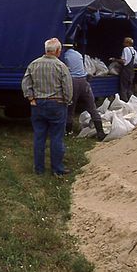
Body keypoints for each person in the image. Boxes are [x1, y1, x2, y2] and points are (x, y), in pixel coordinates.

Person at [21, 38, 73, 177]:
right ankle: (57, 169)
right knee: (56, 137)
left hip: (38, 104)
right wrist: (66, 101)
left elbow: (26, 83)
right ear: (57, 51)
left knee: (39, 137)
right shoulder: (61, 66)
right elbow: (67, 87)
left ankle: (39, 169)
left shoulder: (33, 64)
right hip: (56, 104)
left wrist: (31, 98)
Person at [62, 45, 106, 141]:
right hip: (84, 81)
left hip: (73, 82)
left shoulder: (65, 56)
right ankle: (100, 132)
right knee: (92, 108)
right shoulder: (78, 54)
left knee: (70, 108)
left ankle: (68, 132)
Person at [111, 37, 137, 102]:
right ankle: (131, 101)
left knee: (123, 88)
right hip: (131, 71)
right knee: (129, 88)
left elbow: (124, 61)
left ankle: (124, 102)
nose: (123, 43)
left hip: (125, 71)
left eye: (124, 42)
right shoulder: (134, 51)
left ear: (127, 43)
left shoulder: (126, 49)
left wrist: (115, 59)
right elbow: (136, 62)